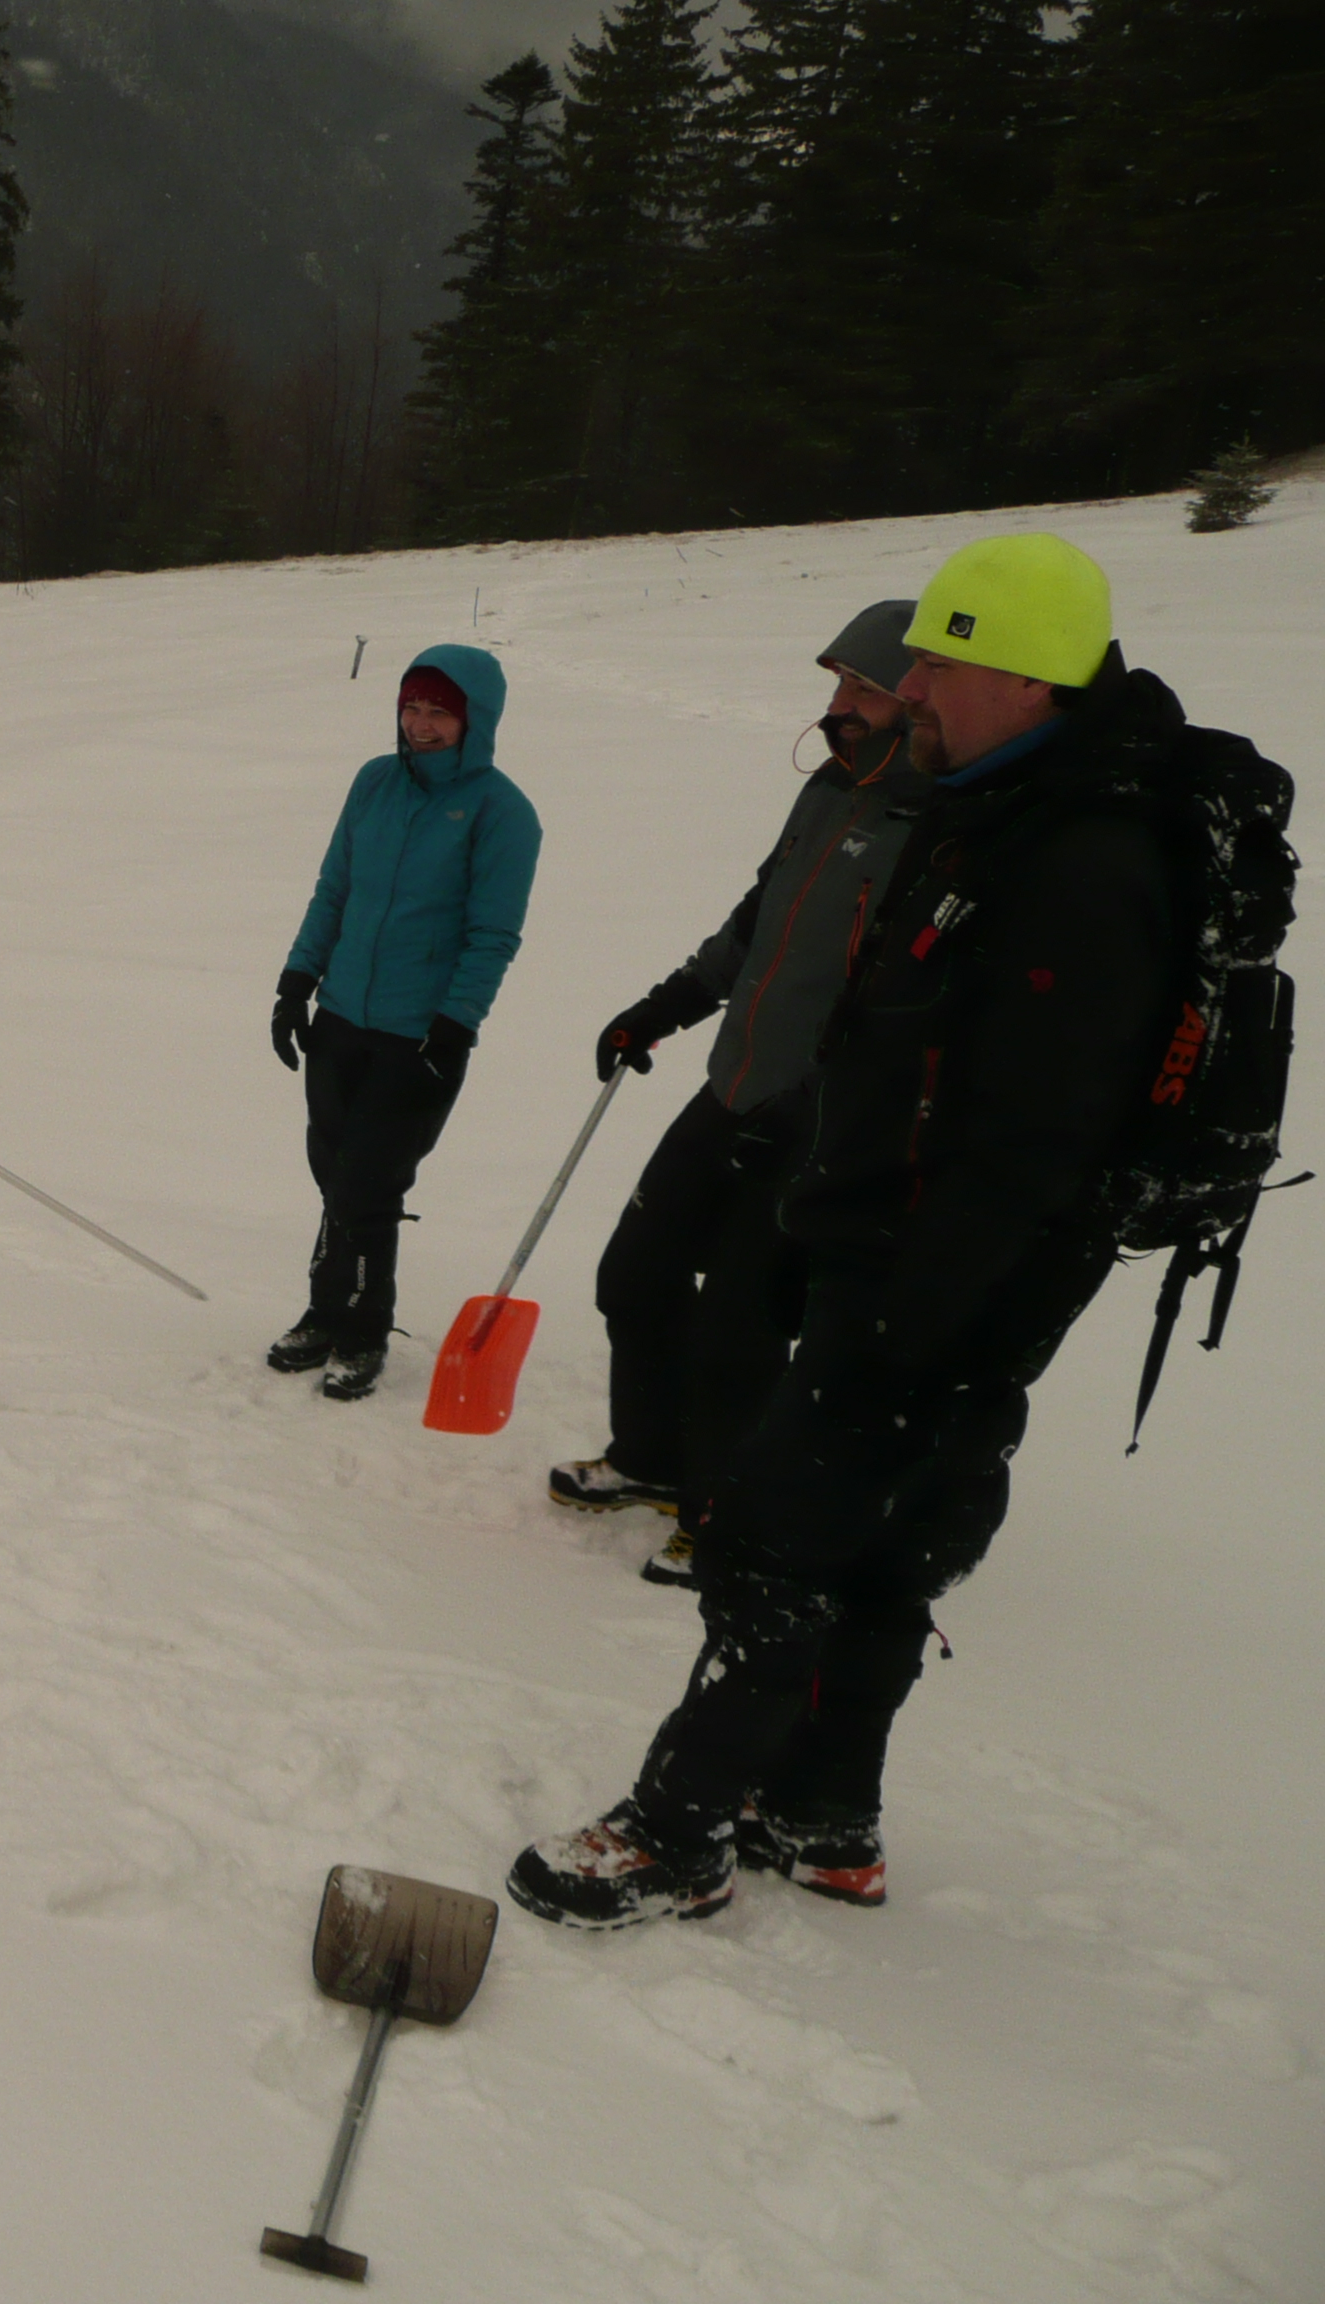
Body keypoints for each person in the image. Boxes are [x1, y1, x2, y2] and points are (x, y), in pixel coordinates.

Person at [508, 533, 1237, 1928]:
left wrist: (905, 1316)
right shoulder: (1005, 808)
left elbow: (1033, 1134)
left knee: (774, 1543)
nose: (912, 691)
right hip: (919, 1262)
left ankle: (679, 1831)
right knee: (885, 1556)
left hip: (936, 1285)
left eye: (939, 666)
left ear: (1024, 675)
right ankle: (826, 1818)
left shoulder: (1084, 862)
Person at [549, 603, 918, 1582]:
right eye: (838, 684)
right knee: (636, 1274)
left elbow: (901, 1006)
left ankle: (724, 1510)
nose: (841, 704)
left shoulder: (930, 823)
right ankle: (651, 1458)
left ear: (913, 697)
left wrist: (812, 1104)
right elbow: (759, 920)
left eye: (864, 687)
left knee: (740, 1326)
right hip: (735, 1085)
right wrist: (665, 1006)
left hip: (818, 1121)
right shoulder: (829, 790)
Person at [268, 645, 541, 1401]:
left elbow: (493, 935)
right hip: (341, 1016)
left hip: (417, 1034)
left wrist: (453, 1026)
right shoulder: (374, 782)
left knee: (369, 1182)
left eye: (439, 712)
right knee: (333, 1171)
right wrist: (297, 983)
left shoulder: (502, 813)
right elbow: (335, 889)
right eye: (411, 707)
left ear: (475, 719)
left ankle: (363, 1330)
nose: (421, 724)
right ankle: (325, 1312)